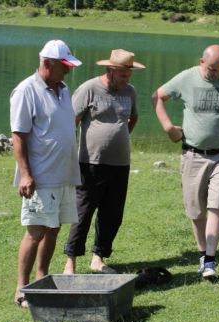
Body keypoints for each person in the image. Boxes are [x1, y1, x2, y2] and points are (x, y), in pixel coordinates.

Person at [151, 45, 219, 280]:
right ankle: (202, 254)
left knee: (216, 204)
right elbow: (158, 97)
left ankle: (210, 262)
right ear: (201, 62)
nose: (215, 74)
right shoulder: (186, 78)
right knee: (196, 210)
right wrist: (168, 127)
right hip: (193, 154)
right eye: (211, 69)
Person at [10, 39, 82, 308]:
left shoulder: (63, 89)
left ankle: (42, 280)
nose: (67, 71)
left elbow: (65, 132)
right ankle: (22, 288)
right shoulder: (26, 91)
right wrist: (26, 174)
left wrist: (75, 170)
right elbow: (19, 135)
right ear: (47, 63)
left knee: (54, 228)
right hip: (40, 176)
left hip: (63, 174)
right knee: (36, 231)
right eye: (63, 66)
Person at [63, 49, 143, 274]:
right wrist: (72, 161)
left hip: (120, 164)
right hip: (91, 163)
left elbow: (134, 116)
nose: (126, 80)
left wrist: (121, 135)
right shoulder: (89, 89)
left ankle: (98, 257)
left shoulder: (130, 92)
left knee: (112, 213)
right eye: (122, 75)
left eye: (129, 75)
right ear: (110, 70)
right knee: (83, 213)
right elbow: (71, 124)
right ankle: (71, 261)